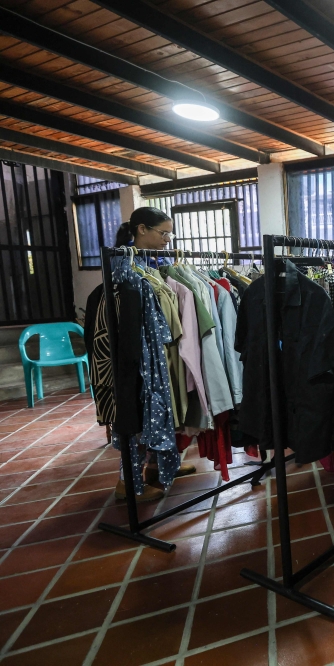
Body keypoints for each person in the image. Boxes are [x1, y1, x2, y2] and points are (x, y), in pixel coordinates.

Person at [111, 207, 195, 501]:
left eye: (170, 234)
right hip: (134, 350)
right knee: (136, 409)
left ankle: (159, 464)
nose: (167, 239)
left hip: (154, 348)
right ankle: (129, 482)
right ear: (142, 229)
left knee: (159, 404)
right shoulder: (123, 265)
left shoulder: (151, 262)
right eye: (164, 233)